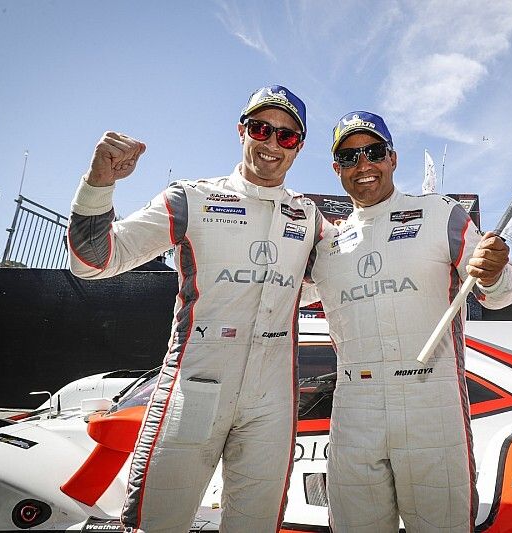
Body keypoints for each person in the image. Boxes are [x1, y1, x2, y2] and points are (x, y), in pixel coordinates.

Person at [68, 85, 324, 532]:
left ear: (298, 147)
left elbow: (354, 279)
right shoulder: (191, 197)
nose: (271, 143)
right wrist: (99, 183)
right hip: (193, 390)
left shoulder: (311, 218)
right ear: (241, 131)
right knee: (156, 525)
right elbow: (94, 260)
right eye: (262, 128)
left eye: (285, 136)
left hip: (272, 401)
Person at [304, 111, 512, 532]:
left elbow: (504, 293)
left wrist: (493, 273)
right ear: (336, 170)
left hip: (431, 398)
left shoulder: (441, 213)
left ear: (393, 158)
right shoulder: (327, 244)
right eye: (349, 157)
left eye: (373, 152)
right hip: (353, 405)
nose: (363, 164)